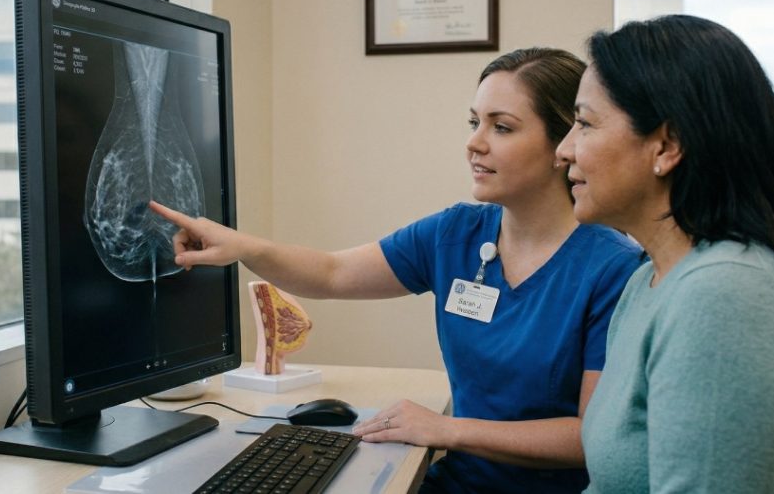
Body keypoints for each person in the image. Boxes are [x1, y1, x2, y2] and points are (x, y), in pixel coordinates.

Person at [152, 48, 643, 493]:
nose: (475, 143)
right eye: (473, 122)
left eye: (502, 127)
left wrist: (445, 429)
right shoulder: (457, 234)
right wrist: (239, 246)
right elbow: (330, 274)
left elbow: (590, 437)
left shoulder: (613, 269)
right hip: (455, 483)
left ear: (563, 145)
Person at [555, 15, 774, 492]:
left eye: (584, 123)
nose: (564, 150)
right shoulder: (648, 281)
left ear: (666, 146)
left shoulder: (725, 293)